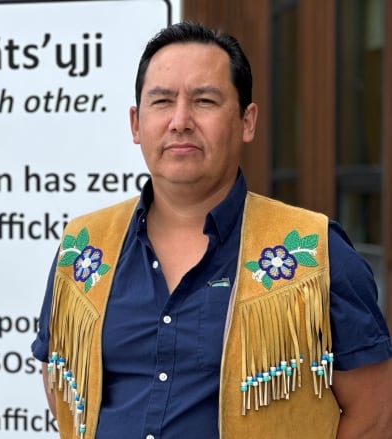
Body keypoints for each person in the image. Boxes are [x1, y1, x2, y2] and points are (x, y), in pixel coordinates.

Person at [31, 21, 392, 439]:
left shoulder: (316, 252)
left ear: (247, 120)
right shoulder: (83, 247)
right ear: (136, 123)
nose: (180, 121)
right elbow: (62, 388)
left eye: (204, 101)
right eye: (162, 102)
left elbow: (375, 416)